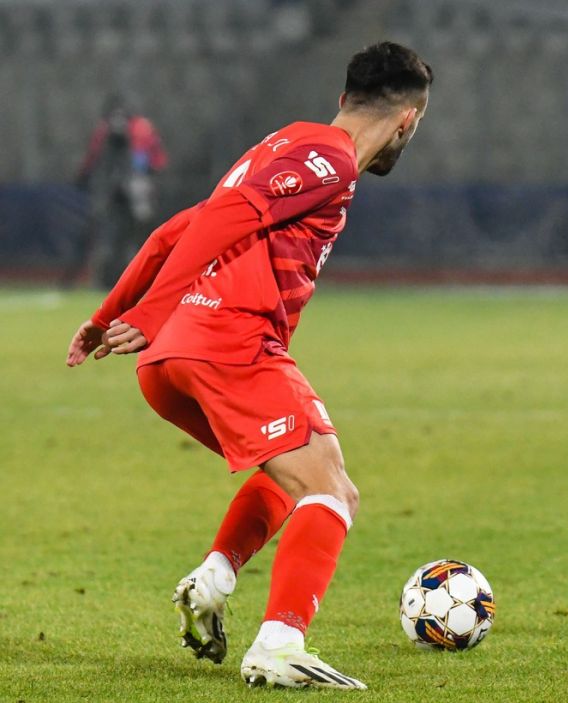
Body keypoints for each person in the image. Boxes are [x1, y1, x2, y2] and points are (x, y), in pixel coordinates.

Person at [65, 41, 433, 689]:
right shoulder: (329, 161)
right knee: (331, 492)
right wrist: (148, 311)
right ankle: (280, 642)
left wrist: (111, 314)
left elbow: (175, 230)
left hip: (174, 358)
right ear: (407, 120)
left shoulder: (288, 141)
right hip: (227, 343)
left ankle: (212, 581)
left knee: (301, 468)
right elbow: (227, 218)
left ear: (342, 99)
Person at [68, 94, 169, 288]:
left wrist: (83, 176)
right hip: (135, 186)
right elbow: (157, 159)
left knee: (114, 234)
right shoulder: (143, 127)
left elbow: (93, 156)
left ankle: (109, 279)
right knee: (137, 234)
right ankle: (139, 278)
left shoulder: (110, 128)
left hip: (124, 186)